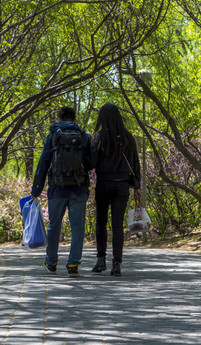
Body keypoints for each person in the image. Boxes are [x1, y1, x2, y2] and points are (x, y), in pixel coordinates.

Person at [31, 106, 91, 278]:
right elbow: (91, 161)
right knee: (78, 228)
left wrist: (36, 189)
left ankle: (51, 262)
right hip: (79, 189)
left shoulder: (52, 137)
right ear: (75, 119)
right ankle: (73, 264)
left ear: (59, 119)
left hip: (57, 189)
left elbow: (43, 162)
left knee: (54, 226)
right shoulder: (84, 137)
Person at [90, 103, 141, 276]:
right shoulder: (128, 137)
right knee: (117, 224)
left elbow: (91, 162)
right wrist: (137, 186)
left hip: (103, 183)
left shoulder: (98, 137)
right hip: (122, 185)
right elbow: (135, 163)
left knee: (101, 222)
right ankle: (117, 264)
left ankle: (101, 260)